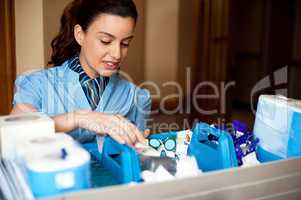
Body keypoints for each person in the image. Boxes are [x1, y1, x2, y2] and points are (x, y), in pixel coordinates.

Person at [11, 0, 151, 147]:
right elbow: (14, 135)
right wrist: (78, 118)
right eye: (105, 41)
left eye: (125, 44)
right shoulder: (36, 85)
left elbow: (137, 160)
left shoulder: (136, 98)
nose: (117, 54)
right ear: (80, 35)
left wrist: (139, 149)